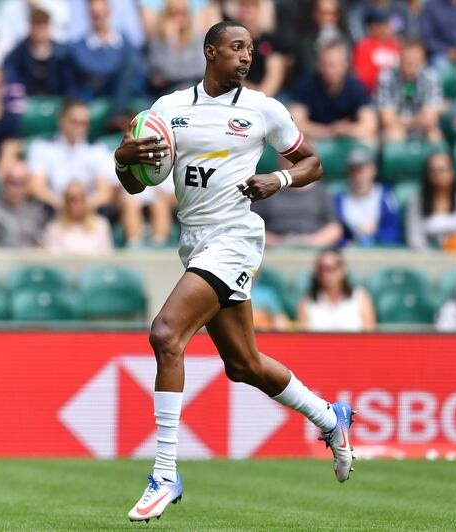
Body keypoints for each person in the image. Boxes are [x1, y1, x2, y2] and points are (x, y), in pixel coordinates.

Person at [114, 21, 356, 522]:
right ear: (211, 52)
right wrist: (124, 158)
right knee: (243, 365)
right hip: (194, 241)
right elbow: (136, 186)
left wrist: (279, 178)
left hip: (235, 239)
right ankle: (329, 417)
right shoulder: (169, 111)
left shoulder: (263, 109)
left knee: (166, 335)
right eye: (237, 48)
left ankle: (164, 473)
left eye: (250, 49)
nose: (247, 57)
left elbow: (312, 162)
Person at [26, 100, 115, 209]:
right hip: (51, 211)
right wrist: (66, 207)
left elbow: (104, 193)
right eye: (74, 121)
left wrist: (81, 208)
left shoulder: (97, 149)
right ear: (61, 120)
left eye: (83, 123)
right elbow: (37, 188)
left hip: (88, 213)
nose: (78, 127)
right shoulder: (42, 147)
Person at [290, 38, 376, 144]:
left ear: (345, 64)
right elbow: (295, 123)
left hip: (348, 140)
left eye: (334, 65)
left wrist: (345, 130)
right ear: (318, 65)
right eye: (324, 64)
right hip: (315, 140)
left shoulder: (356, 87)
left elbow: (369, 124)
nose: (329, 70)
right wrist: (328, 131)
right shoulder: (306, 84)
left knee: (369, 142)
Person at [375, 39, 444, 142]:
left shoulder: (431, 77)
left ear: (423, 58)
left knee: (434, 137)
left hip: (422, 129)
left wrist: (405, 122)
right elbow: (387, 120)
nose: (411, 60)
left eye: (415, 57)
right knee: (394, 135)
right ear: (400, 56)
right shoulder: (387, 76)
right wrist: (415, 121)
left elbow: (429, 119)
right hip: (394, 130)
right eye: (407, 56)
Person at [335, 147, 402, 246]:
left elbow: (394, 234)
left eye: (362, 170)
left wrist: (376, 233)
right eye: (353, 171)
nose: (358, 176)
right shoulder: (339, 200)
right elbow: (337, 236)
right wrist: (347, 243)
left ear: (373, 170)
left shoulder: (386, 197)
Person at [296, 248, 376, 332]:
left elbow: (370, 337)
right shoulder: (306, 302)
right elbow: (302, 340)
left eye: (331, 268)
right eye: (321, 269)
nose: (326, 274)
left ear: (342, 270)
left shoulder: (361, 297)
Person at [406, 152, 456, 249]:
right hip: (425, 258)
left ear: (452, 172)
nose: (437, 174)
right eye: (433, 170)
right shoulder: (416, 201)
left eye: (442, 170)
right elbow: (414, 239)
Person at [3, 6, 76, 97]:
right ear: (30, 27)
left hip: (56, 101)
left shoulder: (63, 54)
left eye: (43, 27)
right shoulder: (18, 54)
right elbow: (12, 79)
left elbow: (69, 83)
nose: (40, 32)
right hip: (27, 102)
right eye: (36, 27)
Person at [252, 178, 343, 248]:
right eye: (286, 158)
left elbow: (334, 229)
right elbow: (251, 227)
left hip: (313, 251)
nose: (291, 162)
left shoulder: (321, 192)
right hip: (271, 251)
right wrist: (279, 242)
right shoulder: (265, 190)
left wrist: (308, 243)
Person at [147, 0, 206, 98]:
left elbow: (202, 69)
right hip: (167, 92)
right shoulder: (157, 40)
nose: (179, 18)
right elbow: (165, 72)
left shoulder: (196, 38)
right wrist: (171, 40)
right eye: (173, 14)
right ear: (165, 16)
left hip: (194, 90)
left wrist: (174, 75)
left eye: (183, 13)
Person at [233, 0, 289, 97]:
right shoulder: (229, 42)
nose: (247, 14)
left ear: (259, 12)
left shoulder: (271, 42)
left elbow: (274, 77)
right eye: (243, 8)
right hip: (237, 93)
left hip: (266, 95)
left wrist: (258, 98)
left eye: (251, 8)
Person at [42, 180, 114, 254]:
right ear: (65, 202)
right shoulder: (54, 228)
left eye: (81, 198)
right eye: (72, 199)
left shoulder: (101, 225)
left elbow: (105, 255)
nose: (77, 204)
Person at [351, 7, 400, 94]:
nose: (388, 28)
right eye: (383, 24)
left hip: (395, 94)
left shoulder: (396, 46)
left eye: (388, 24)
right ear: (372, 27)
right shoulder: (364, 46)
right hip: (372, 94)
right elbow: (364, 78)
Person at [347, 0, 418, 44]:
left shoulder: (400, 7)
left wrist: (391, 29)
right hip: (371, 50)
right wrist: (375, 32)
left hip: (396, 49)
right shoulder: (360, 9)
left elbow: (410, 34)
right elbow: (358, 37)